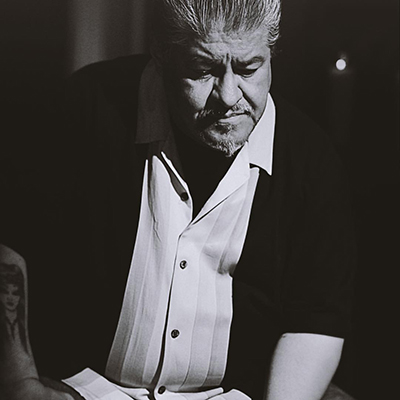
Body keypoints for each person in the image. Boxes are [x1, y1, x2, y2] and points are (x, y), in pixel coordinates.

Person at [0, 0, 356, 399]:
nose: (227, 95)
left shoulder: (311, 159)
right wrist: (18, 384)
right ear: (161, 56)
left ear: (271, 53)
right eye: (201, 71)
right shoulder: (86, 107)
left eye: (248, 69)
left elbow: (316, 318)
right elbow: (12, 241)